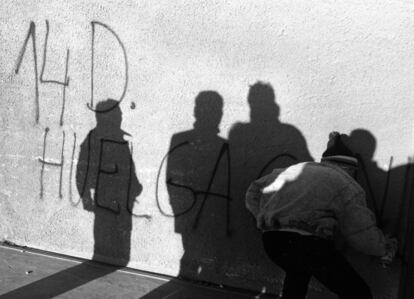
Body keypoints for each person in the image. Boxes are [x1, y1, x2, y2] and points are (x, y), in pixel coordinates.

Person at [245, 132, 397, 299]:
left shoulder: (290, 170)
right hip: (309, 245)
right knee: (357, 292)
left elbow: (253, 192)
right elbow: (359, 231)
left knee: (297, 277)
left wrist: (265, 217)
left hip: (273, 242)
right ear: (348, 168)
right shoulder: (346, 184)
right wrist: (383, 248)